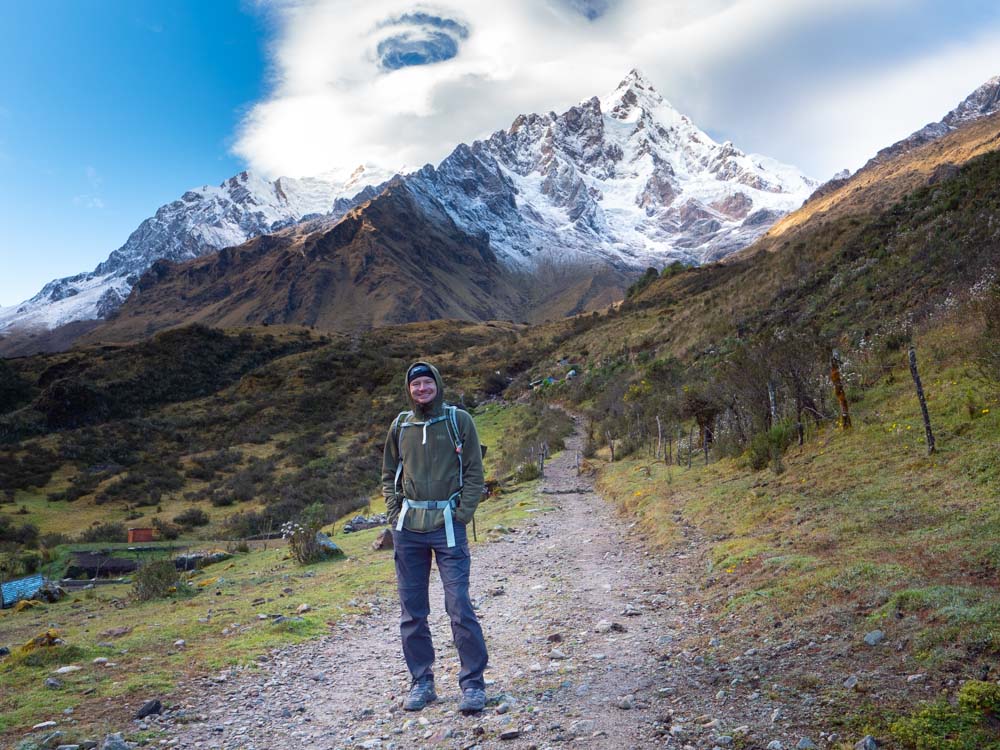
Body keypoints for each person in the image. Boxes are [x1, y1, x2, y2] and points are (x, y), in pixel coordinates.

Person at [381, 361, 489, 713]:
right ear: (409, 389)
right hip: (408, 529)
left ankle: (473, 685)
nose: (422, 389)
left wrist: (463, 513)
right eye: (416, 385)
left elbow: (474, 469)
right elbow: (388, 473)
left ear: (437, 385)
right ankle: (422, 682)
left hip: (448, 525)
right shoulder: (401, 425)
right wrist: (394, 514)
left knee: (458, 605)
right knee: (412, 612)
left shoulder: (459, 421)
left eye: (427, 383)